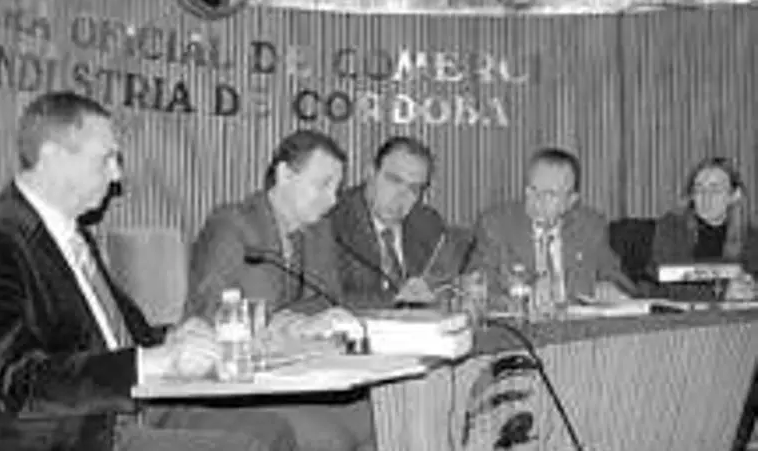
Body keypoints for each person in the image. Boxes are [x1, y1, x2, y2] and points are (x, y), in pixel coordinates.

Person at [0, 91, 297, 451]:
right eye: (106, 158)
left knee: (271, 431)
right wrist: (151, 362)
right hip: (57, 434)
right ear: (53, 158)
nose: (117, 175)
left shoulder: (72, 235)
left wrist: (174, 338)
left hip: (120, 409)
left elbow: (115, 340)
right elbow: (17, 382)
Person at [186, 129, 374, 451]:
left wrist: (293, 322)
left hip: (296, 373)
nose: (333, 200)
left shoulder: (318, 230)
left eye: (337, 189)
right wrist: (290, 324)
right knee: (331, 438)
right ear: (285, 174)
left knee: (376, 416)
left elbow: (328, 302)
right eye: (323, 185)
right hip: (230, 381)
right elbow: (216, 312)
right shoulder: (232, 225)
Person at [468, 147, 636, 311]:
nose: (537, 201)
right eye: (532, 190)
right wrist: (520, 301)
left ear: (571, 201)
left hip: (578, 323)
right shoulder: (496, 225)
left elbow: (617, 278)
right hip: (521, 325)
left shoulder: (590, 227)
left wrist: (611, 287)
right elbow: (474, 287)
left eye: (550, 194)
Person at [328, 136, 467, 308]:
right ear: (370, 174)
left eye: (413, 188)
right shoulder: (334, 221)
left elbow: (444, 284)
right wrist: (395, 298)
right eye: (394, 181)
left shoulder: (427, 223)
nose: (401, 196)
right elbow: (326, 298)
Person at [651, 156, 758, 301]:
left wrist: (751, 288)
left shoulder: (750, 235)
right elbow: (665, 286)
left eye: (715, 189)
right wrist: (720, 293)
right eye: (699, 189)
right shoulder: (672, 227)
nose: (706, 197)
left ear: (734, 195)